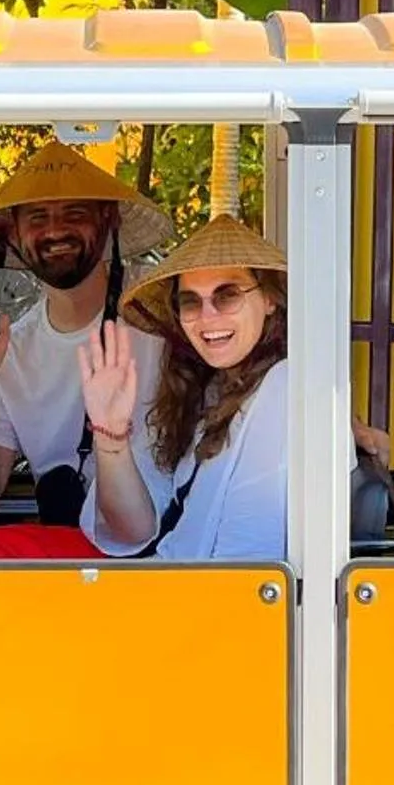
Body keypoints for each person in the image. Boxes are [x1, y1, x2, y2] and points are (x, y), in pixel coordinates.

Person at [0, 142, 176, 555]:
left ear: (109, 222)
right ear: (12, 235)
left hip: (168, 549)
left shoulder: (163, 319)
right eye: (37, 218)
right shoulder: (10, 350)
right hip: (70, 556)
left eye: (75, 214)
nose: (55, 231)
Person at [77, 216, 292, 561]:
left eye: (227, 295)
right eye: (190, 301)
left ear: (269, 299)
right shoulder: (202, 391)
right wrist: (110, 435)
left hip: (201, 602)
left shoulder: (284, 385)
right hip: (169, 588)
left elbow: (248, 556)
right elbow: (131, 532)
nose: (207, 317)